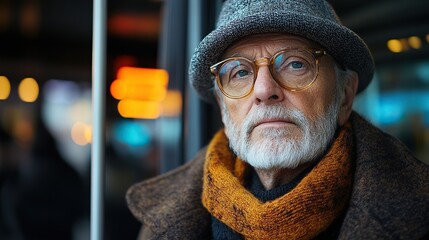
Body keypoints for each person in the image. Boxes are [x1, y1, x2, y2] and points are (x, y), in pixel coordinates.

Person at [126, 0, 429, 239]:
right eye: (240, 72)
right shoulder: (161, 223)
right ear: (222, 107)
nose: (264, 90)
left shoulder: (417, 209)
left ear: (345, 96)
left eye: (295, 64)